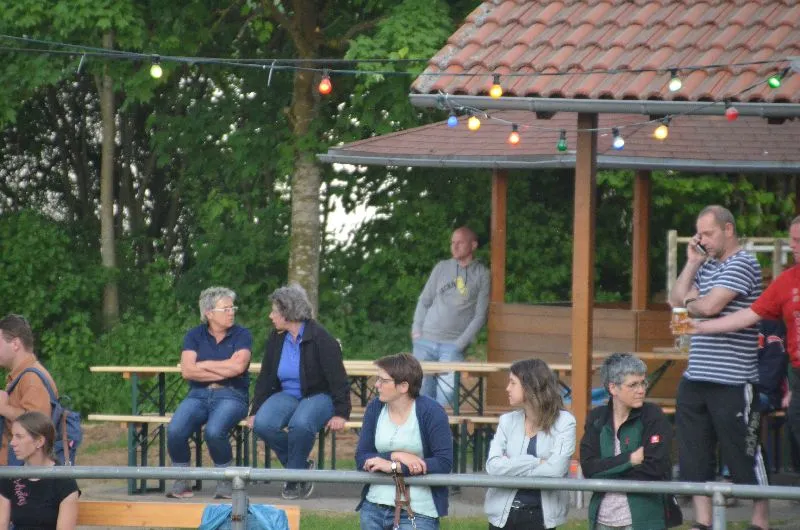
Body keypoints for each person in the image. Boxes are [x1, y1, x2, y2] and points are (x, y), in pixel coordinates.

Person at [668, 205, 768, 530]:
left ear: (728, 229)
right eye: (699, 234)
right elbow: (676, 299)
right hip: (696, 374)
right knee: (694, 453)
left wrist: (691, 304)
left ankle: (760, 520)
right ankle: (703, 521)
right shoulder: (707, 265)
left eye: (708, 234)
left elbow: (710, 306)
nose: (702, 240)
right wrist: (691, 263)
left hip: (733, 378)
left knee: (743, 451)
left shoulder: (744, 263)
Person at [690, 214, 800, 478]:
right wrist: (701, 328)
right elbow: (749, 314)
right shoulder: (787, 280)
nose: (792, 245)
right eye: (791, 239)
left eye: (798, 240)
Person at [249, 283, 350, 500]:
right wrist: (255, 410)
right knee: (262, 424)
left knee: (301, 424)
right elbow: (266, 376)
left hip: (318, 395)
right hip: (287, 393)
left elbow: (338, 379)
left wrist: (341, 413)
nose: (270, 316)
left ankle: (293, 481)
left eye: (274, 311)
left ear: (288, 313)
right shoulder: (276, 337)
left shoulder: (321, 338)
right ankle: (301, 468)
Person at [166, 287, 252, 499]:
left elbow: (238, 368)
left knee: (214, 431)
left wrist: (203, 365)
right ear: (209, 313)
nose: (232, 312)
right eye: (226, 309)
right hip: (198, 394)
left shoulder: (242, 334)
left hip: (232, 394)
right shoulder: (194, 335)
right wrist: (224, 367)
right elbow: (187, 371)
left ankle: (226, 480)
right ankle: (182, 480)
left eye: (233, 308)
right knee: (175, 430)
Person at [355, 353, 453, 530]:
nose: (377, 385)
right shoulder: (375, 407)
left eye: (383, 381)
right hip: (373, 508)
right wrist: (396, 455)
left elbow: (443, 462)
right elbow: (361, 457)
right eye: (378, 379)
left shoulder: (432, 411)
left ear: (403, 386)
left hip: (418, 511)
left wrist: (394, 467)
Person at [580, 354, 673, 530]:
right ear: (613, 388)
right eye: (633, 385)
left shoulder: (653, 415)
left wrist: (605, 471)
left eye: (643, 383)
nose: (641, 390)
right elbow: (588, 468)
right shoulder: (597, 418)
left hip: (643, 520)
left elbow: (655, 468)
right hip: (601, 520)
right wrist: (630, 459)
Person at [484, 359, 576, 530]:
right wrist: (537, 462)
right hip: (502, 517)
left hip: (540, 517)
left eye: (513, 383)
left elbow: (556, 470)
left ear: (530, 386)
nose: (507, 388)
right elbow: (493, 467)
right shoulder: (507, 421)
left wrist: (511, 466)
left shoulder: (565, 422)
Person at [412, 226, 490, 407]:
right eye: (452, 242)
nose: (454, 246)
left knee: (445, 398)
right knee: (420, 396)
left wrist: (460, 344)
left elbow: (480, 315)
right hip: (425, 341)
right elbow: (424, 300)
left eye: (460, 242)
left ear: (473, 245)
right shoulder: (442, 267)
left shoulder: (482, 274)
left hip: (453, 345)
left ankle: (442, 427)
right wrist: (417, 330)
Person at [0, 411, 80, 530]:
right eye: (12, 436)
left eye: (19, 436)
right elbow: (2, 524)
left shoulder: (64, 481)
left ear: (39, 441)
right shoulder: (10, 477)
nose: (12, 443)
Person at [0, 314, 59, 466]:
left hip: (25, 473)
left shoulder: (32, 378)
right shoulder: (21, 375)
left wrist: (4, 408)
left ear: (15, 344)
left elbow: (38, 425)